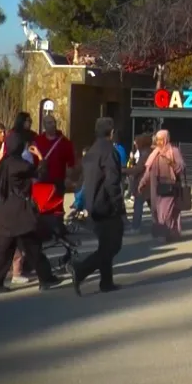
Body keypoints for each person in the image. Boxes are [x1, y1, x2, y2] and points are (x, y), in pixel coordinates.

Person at [0, 132, 61, 294]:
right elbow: (41, 175)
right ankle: (46, 279)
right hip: (19, 212)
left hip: (3, 211)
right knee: (32, 246)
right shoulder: (20, 164)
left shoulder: (3, 164)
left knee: (3, 249)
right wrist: (40, 157)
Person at [70, 117, 125, 295]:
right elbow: (112, 182)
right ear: (111, 132)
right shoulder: (110, 151)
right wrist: (118, 204)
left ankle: (106, 282)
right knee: (113, 245)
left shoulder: (92, 150)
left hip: (92, 203)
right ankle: (80, 270)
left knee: (105, 244)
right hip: (107, 204)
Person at [139, 130, 186, 242]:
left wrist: (172, 163)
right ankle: (170, 233)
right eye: (157, 140)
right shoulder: (154, 153)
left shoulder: (173, 151)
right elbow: (148, 171)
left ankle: (163, 235)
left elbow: (182, 166)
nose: (159, 142)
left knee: (165, 212)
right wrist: (142, 183)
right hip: (156, 189)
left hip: (170, 187)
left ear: (166, 139)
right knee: (157, 211)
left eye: (161, 139)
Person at [124, 134, 153, 235]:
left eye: (136, 142)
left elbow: (139, 169)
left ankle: (136, 227)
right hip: (148, 183)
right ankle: (160, 224)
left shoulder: (145, 153)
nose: (135, 144)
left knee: (138, 205)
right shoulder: (146, 152)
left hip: (143, 183)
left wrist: (124, 170)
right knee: (152, 206)